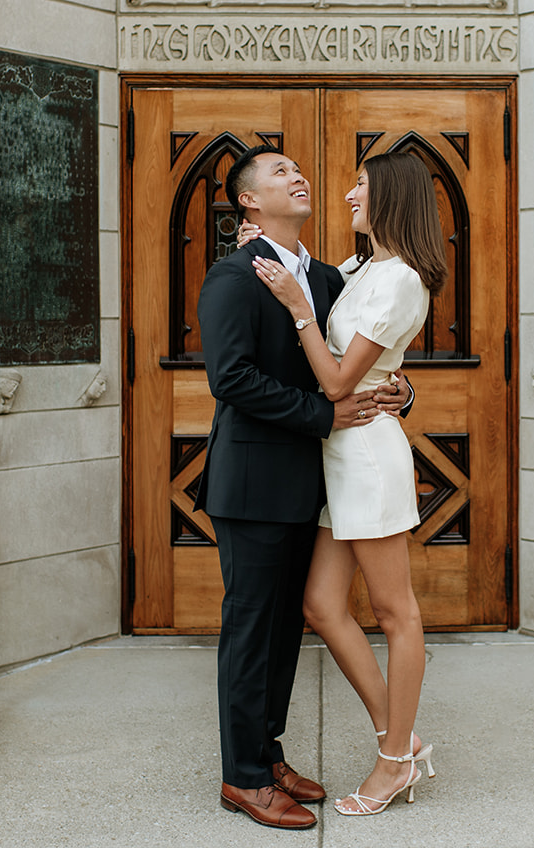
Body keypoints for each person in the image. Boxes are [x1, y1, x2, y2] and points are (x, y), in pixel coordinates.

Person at [194, 145, 411, 830]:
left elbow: (359, 352)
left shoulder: (325, 277)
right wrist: (325, 413)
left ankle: (270, 751)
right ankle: (245, 777)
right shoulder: (231, 277)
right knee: (251, 629)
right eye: (281, 172)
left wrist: (401, 391)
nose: (300, 177)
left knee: (289, 628)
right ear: (249, 202)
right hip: (253, 484)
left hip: (311, 486)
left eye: (299, 169)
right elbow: (230, 379)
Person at [247, 151, 446, 817]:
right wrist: (260, 247)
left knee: (396, 611)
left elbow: (336, 382)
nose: (347, 195)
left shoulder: (403, 282)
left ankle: (392, 764)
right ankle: (403, 737)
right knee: (323, 605)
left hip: (366, 454)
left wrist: (300, 308)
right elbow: (308, 279)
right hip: (335, 453)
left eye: (360, 186)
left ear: (389, 196)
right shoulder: (360, 270)